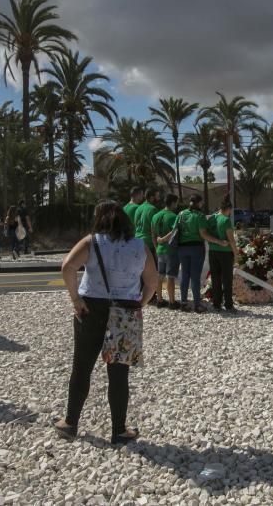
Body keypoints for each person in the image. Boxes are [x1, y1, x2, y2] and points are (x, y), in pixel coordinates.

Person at [55, 200, 159, 444]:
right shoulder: (139, 246)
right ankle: (119, 430)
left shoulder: (92, 241)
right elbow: (153, 282)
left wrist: (76, 299)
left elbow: (68, 267)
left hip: (92, 307)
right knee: (119, 372)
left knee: (82, 366)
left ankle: (70, 423)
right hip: (126, 310)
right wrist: (140, 304)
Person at [177, 194, 227, 313]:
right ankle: (197, 304)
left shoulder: (181, 214)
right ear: (199, 203)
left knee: (184, 275)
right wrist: (219, 241)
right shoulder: (199, 216)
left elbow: (175, 230)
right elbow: (203, 234)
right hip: (196, 248)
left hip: (182, 249)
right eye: (201, 203)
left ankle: (183, 302)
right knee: (195, 277)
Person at [207, 197, 240, 312]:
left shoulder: (211, 219)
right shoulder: (226, 220)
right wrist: (236, 253)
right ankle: (228, 304)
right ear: (228, 209)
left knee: (215, 278)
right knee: (227, 279)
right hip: (225, 253)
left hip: (212, 251)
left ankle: (216, 303)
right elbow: (231, 239)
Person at [152, 193, 180, 309]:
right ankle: (172, 302)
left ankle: (159, 300)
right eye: (176, 203)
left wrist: (156, 246)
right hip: (171, 250)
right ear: (173, 203)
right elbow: (174, 231)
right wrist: (164, 239)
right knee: (170, 276)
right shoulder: (174, 216)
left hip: (159, 250)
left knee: (160, 275)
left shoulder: (155, 216)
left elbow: (152, 233)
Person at [133, 188, 160, 305]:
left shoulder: (138, 208)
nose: (158, 198)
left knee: (138, 269)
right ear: (152, 197)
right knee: (151, 270)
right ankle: (150, 296)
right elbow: (154, 229)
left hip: (137, 240)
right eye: (157, 196)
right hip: (148, 242)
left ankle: (138, 292)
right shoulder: (153, 209)